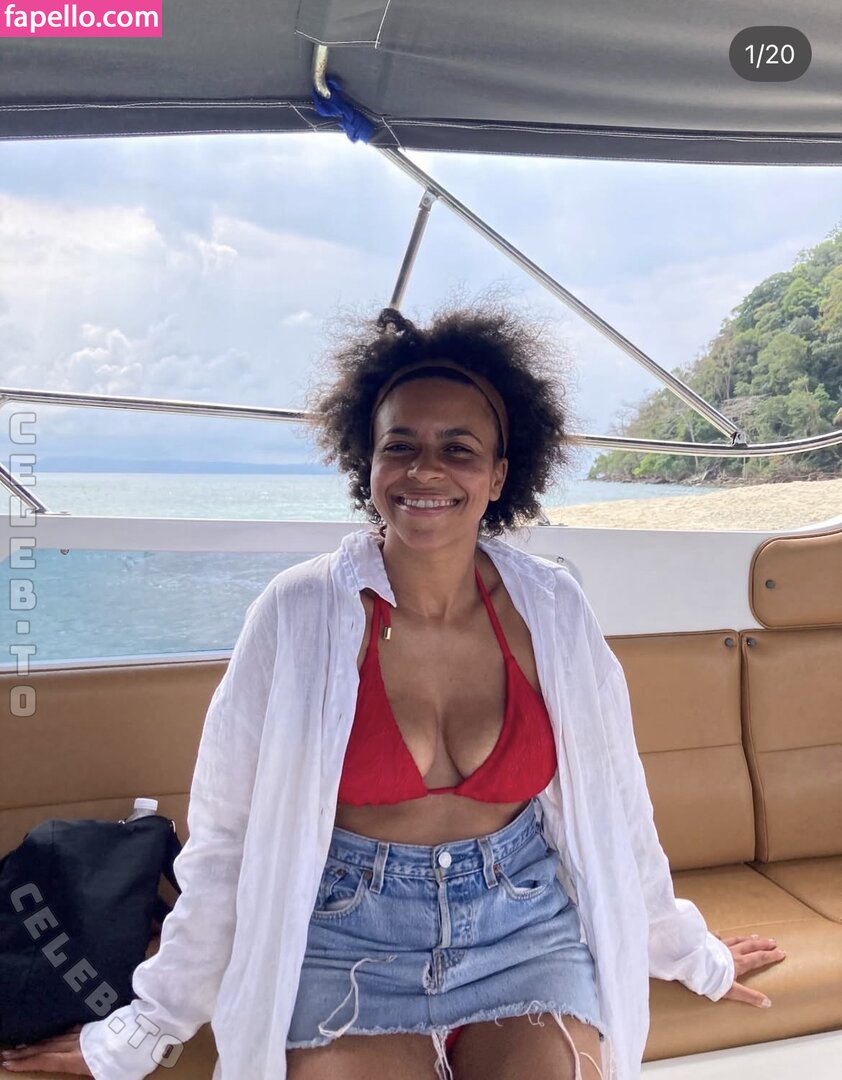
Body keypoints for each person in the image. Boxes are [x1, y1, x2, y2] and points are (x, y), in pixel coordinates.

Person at [1, 304, 785, 1080]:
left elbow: (618, 807)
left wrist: (687, 951)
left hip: (522, 930)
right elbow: (227, 838)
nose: (425, 470)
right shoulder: (299, 611)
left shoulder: (552, 609)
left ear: (499, 474)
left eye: (458, 448)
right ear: (367, 464)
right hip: (344, 938)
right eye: (399, 446)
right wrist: (148, 1027)